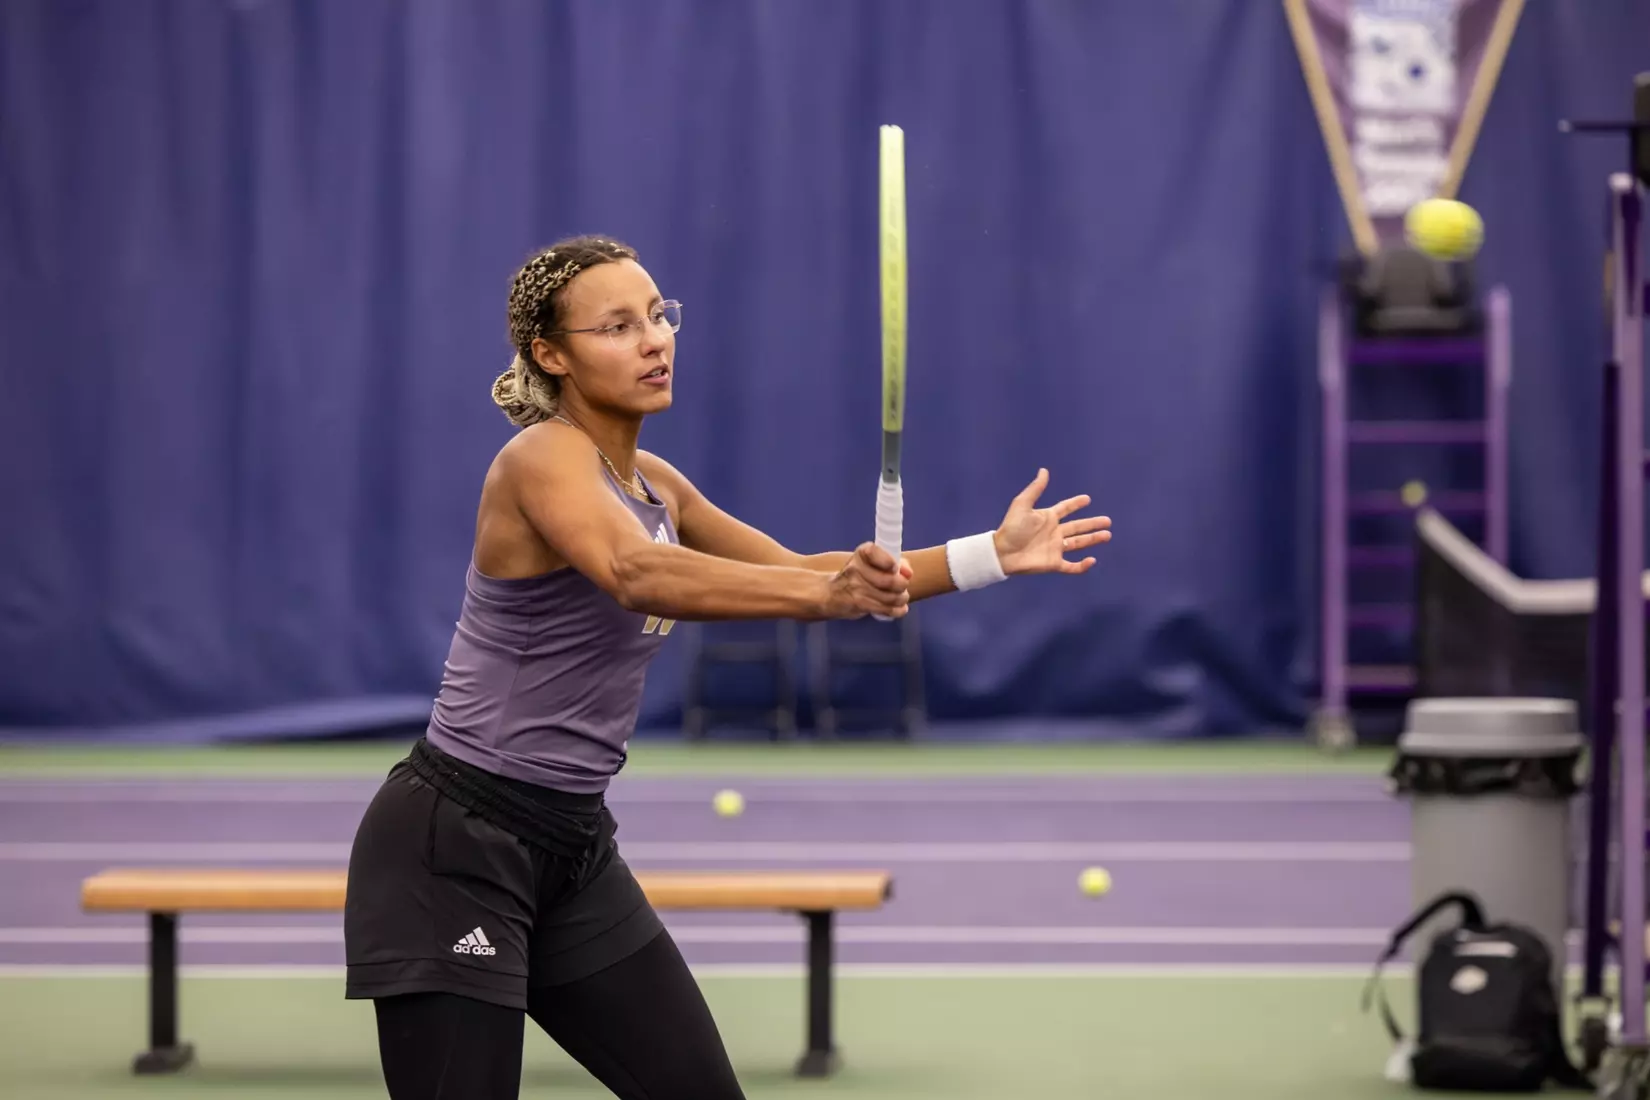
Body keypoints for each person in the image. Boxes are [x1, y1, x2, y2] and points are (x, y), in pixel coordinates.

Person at [342, 234, 1113, 1100]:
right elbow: (634, 572)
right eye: (618, 326)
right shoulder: (538, 459)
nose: (654, 339)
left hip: (572, 846)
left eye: (659, 316)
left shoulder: (657, 485)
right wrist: (822, 600)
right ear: (550, 355)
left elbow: (799, 569)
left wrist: (987, 556)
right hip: (456, 843)